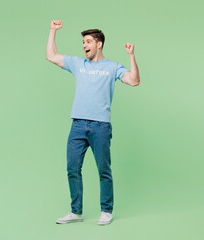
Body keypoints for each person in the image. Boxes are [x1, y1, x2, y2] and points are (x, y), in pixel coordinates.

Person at [45, 20, 140, 225]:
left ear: (99, 44)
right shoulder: (78, 64)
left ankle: (106, 211)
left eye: (87, 41)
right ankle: (75, 212)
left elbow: (134, 80)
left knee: (104, 170)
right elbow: (51, 56)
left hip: (101, 127)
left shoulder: (113, 66)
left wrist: (131, 56)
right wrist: (53, 30)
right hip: (78, 124)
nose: (84, 45)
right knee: (72, 168)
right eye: (82, 42)